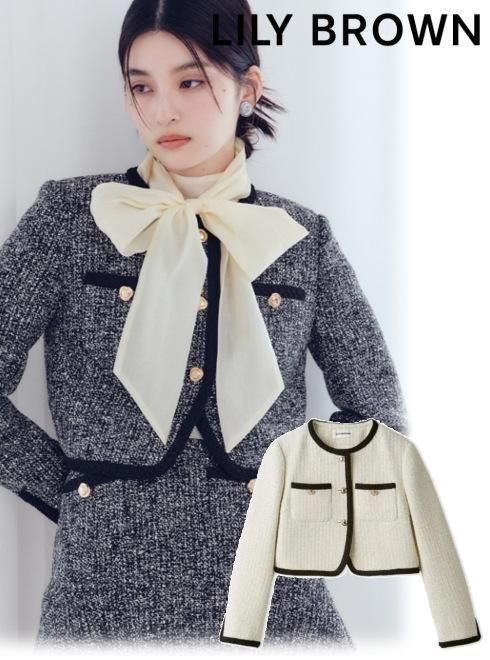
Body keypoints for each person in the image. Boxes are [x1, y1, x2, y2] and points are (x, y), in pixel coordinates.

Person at [0, 0, 408, 649]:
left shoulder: (301, 240)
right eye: (142, 86)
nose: (162, 110)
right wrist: (77, 492)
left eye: (190, 81)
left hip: (278, 591)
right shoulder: (70, 219)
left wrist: (303, 501)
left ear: (248, 87)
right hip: (103, 592)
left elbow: (378, 412)